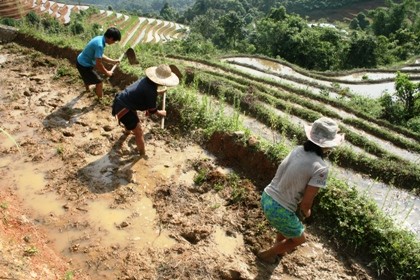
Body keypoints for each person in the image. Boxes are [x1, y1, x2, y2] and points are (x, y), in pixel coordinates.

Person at [258, 117, 345, 263]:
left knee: (287, 223)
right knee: (299, 239)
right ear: (328, 145)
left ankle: (277, 249)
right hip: (279, 209)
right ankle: (266, 255)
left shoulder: (297, 149)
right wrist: (308, 215)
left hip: (266, 197)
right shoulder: (321, 168)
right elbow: (305, 205)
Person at [111, 64, 180, 156]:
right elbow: (152, 110)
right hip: (124, 107)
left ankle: (127, 132)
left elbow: (143, 92)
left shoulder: (146, 81)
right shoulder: (151, 91)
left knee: (132, 120)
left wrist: (158, 92)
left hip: (122, 101)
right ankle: (142, 155)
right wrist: (161, 113)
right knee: (139, 132)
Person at [76, 27, 121, 98]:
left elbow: (100, 55)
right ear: (111, 38)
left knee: (86, 75)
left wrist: (112, 61)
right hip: (83, 65)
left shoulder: (99, 38)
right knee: (99, 82)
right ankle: (100, 99)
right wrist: (107, 72)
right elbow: (99, 64)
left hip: (81, 61)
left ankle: (87, 89)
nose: (114, 43)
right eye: (114, 41)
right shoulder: (100, 45)